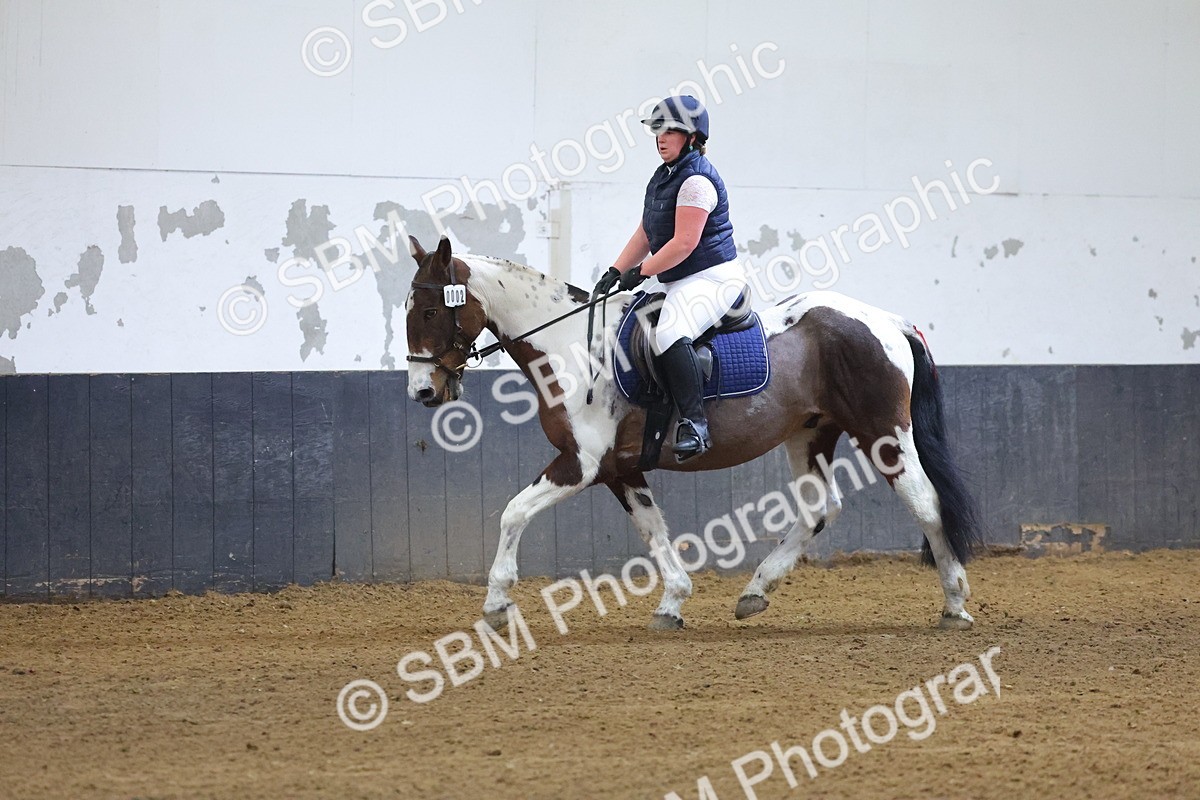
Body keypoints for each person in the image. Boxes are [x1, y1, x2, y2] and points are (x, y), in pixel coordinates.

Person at [594, 95, 748, 462]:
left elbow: (683, 243)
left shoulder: (696, 181)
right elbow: (647, 233)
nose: (660, 137)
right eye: (657, 130)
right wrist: (615, 270)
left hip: (713, 279)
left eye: (670, 130)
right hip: (680, 280)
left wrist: (640, 272)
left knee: (667, 334)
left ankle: (696, 425)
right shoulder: (664, 177)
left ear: (693, 137)